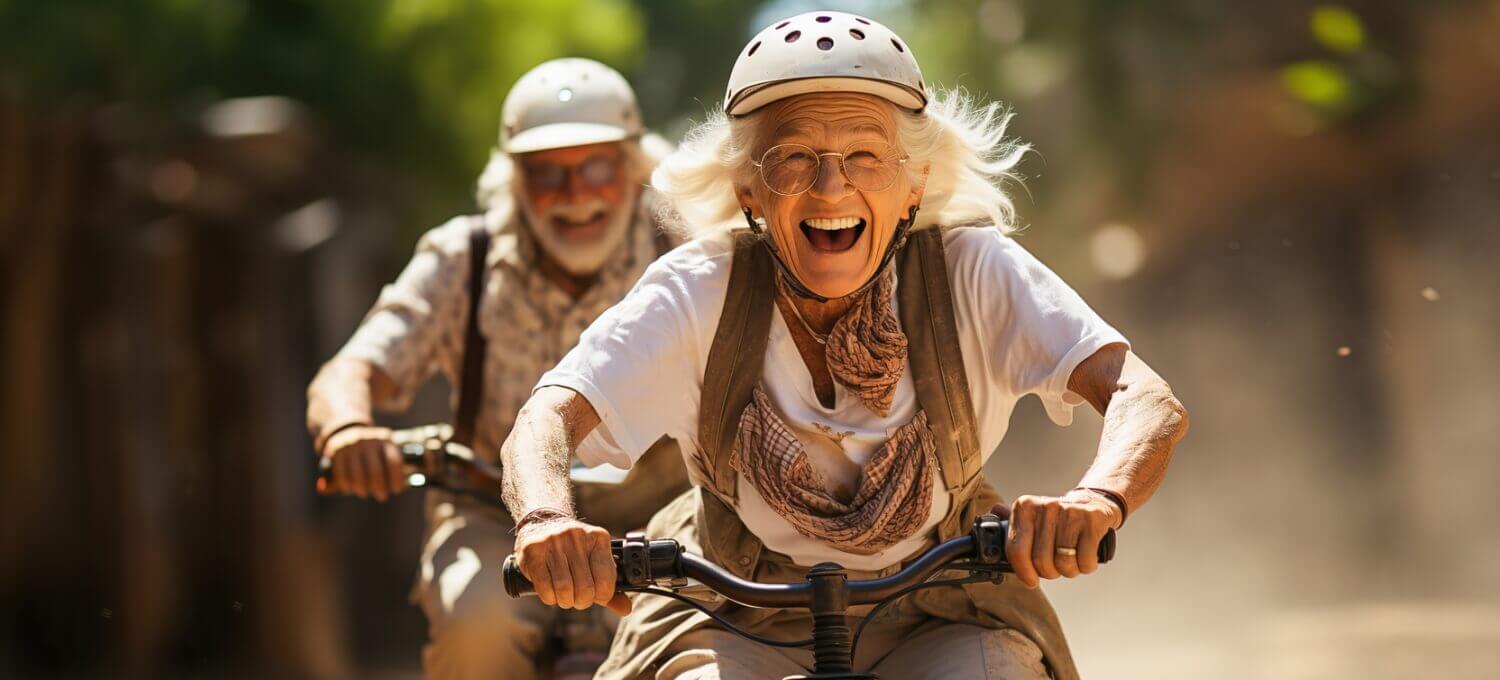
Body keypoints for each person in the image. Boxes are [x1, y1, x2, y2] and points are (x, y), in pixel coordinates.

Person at [501, 12, 1189, 680]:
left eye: (865, 155)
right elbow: (546, 419)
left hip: (944, 606)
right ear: (748, 190)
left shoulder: (973, 270)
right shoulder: (697, 288)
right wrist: (542, 520)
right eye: (793, 157)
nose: (832, 185)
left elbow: (1145, 398)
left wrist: (1099, 499)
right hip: (734, 611)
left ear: (915, 182)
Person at [305, 58, 689, 680]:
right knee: (476, 621)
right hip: (494, 517)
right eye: (546, 174)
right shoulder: (466, 258)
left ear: (636, 168)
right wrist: (348, 430)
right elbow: (350, 370)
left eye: (596, 166)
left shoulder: (686, 252)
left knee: (698, 636)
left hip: (665, 516)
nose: (575, 194)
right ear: (512, 180)